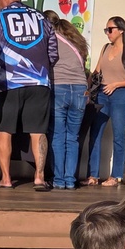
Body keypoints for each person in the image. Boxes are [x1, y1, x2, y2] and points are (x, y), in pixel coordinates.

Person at [0, 0, 58, 191]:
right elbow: (53, 52)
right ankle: (39, 177)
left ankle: (6, 179)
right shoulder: (41, 18)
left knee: (5, 130)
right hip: (40, 82)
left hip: (10, 82)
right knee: (38, 131)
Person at [83, 17, 125, 187]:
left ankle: (115, 176)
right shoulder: (105, 48)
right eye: (106, 30)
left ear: (121, 30)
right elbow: (96, 71)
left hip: (121, 95)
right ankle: (93, 175)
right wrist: (87, 88)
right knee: (95, 133)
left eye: (110, 29)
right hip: (102, 93)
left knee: (118, 136)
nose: (107, 33)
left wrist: (117, 84)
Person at [43, 10, 90, 191]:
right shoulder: (75, 41)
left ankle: (58, 180)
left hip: (59, 87)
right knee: (72, 138)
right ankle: (70, 180)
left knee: (57, 136)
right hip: (79, 89)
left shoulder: (50, 39)